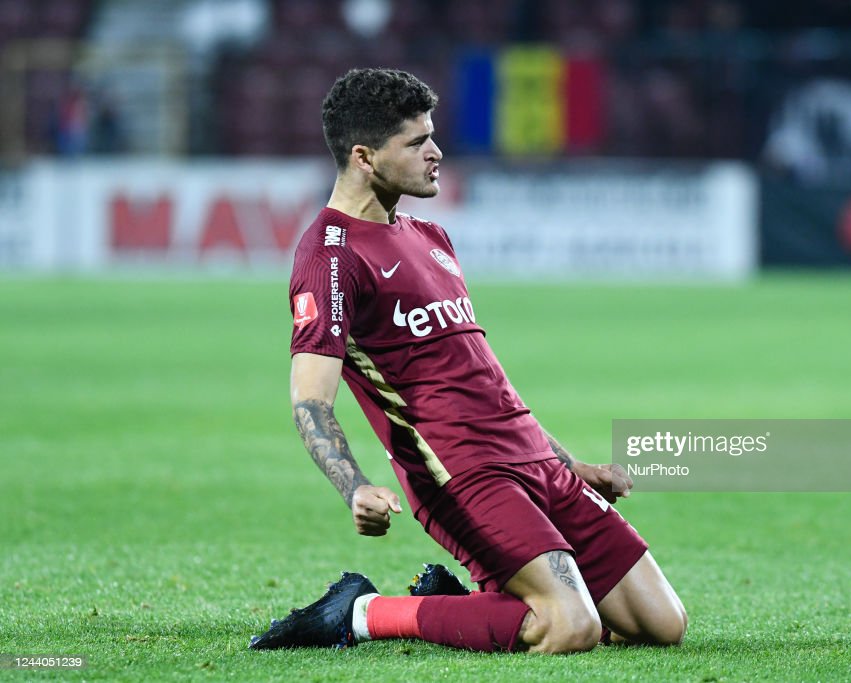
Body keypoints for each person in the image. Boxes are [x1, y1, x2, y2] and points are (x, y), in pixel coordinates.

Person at [250, 68, 686, 654]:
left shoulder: (430, 236)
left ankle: (474, 603)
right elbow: (310, 400)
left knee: (662, 624)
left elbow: (481, 379)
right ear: (364, 157)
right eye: (416, 142)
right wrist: (354, 486)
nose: (436, 152)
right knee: (570, 627)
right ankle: (364, 612)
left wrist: (569, 463)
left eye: (432, 136)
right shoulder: (331, 257)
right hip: (461, 471)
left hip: (533, 457)